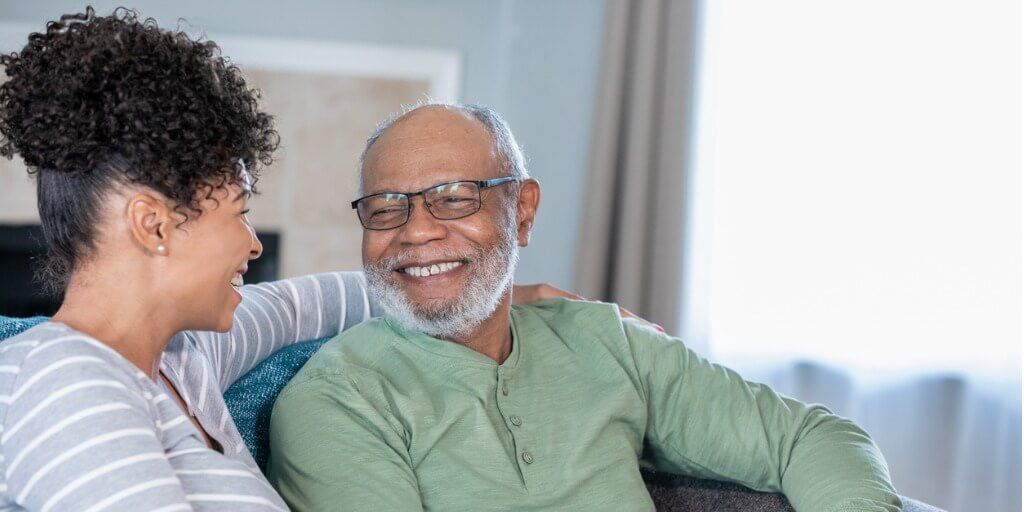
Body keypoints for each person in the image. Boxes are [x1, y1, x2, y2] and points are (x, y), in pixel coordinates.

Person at [0, 9, 575, 511]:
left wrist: (490, 292)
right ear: (154, 225)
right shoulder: (65, 380)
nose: (253, 244)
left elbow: (315, 303)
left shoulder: (183, 359)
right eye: (239, 212)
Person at [267, 103, 904, 512]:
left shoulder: (606, 342)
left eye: (454, 199)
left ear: (521, 211)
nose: (416, 231)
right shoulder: (336, 401)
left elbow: (810, 439)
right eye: (386, 208)